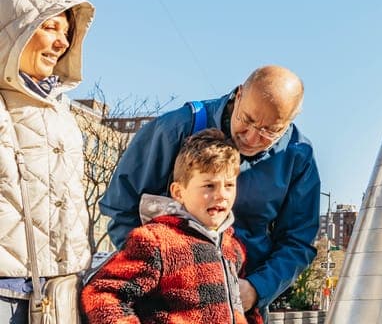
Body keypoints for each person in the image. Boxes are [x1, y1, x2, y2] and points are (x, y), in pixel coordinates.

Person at [100, 65, 321, 314]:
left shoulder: (298, 156)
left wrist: (258, 289)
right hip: (165, 306)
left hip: (243, 305)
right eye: (246, 121)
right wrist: (155, 273)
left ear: (289, 123)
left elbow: (298, 241)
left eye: (269, 132)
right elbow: (120, 208)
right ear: (238, 95)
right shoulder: (174, 129)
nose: (250, 138)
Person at [82, 129, 262, 324]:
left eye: (229, 185)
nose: (221, 195)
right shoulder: (156, 241)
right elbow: (101, 293)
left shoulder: (233, 247)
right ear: (178, 192)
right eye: (209, 186)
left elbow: (244, 310)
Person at [0, 0, 95, 323]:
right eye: (50, 26)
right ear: (12, 30)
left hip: (58, 295)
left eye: (67, 32)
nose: (62, 42)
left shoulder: (62, 111)